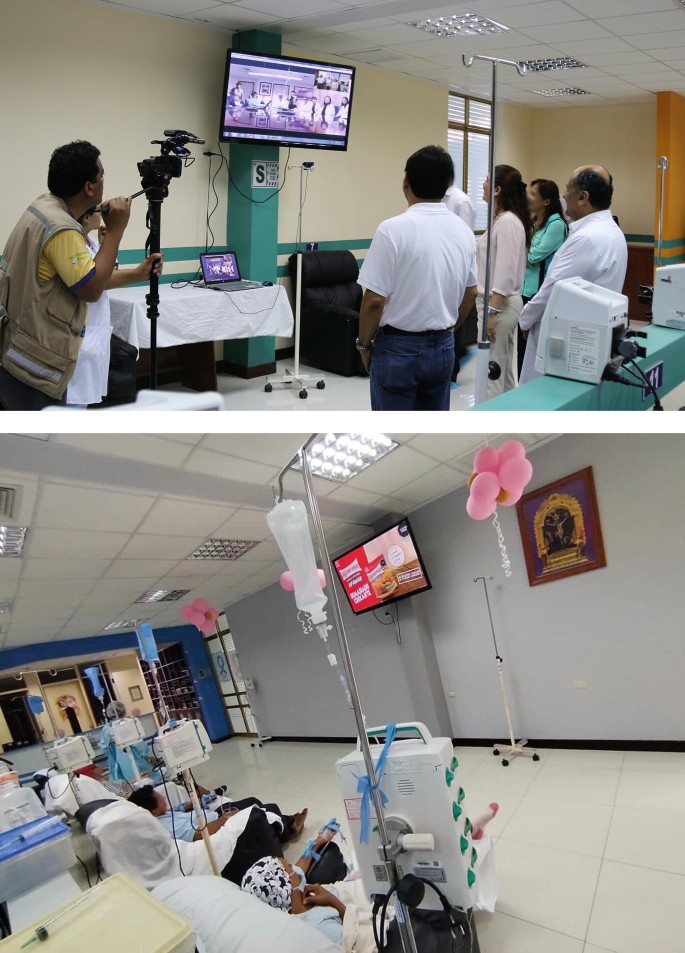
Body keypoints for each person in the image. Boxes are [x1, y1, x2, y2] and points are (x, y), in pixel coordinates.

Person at [0, 140, 132, 410]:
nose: (104, 180)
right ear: (89, 187)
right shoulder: (62, 229)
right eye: (101, 174)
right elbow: (92, 289)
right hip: (36, 366)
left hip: (16, 348)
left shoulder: (42, 207)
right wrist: (115, 231)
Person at [357, 145, 478, 411]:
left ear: (405, 182)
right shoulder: (464, 231)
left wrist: (364, 346)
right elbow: (471, 292)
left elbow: (374, 301)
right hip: (443, 347)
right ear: (448, 184)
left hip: (398, 348)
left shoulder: (392, 230)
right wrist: (450, 329)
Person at [518, 165, 628, 386]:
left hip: (567, 341)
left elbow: (553, 288)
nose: (564, 195)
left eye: (568, 190)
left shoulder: (586, 238)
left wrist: (524, 319)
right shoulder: (611, 231)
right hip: (589, 335)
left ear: (582, 197)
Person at [66, 208, 162, 408]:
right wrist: (138, 274)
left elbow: (108, 273)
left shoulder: (91, 242)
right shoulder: (73, 246)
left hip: (95, 332)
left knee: (86, 398)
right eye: (97, 210)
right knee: (73, 401)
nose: (101, 212)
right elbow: (94, 282)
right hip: (78, 332)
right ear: (86, 216)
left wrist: (105, 246)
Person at [476, 164, 531, 398]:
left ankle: (489, 430)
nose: (483, 184)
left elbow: (506, 272)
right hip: (496, 305)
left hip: (499, 305)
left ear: (497, 190)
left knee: (492, 371)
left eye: (487, 180)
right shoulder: (500, 220)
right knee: (504, 369)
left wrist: (492, 312)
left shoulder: (508, 222)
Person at [128, 783, 308, 845]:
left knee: (254, 801)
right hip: (218, 823)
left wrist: (192, 801)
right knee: (268, 808)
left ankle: (283, 822)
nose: (164, 799)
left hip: (212, 814)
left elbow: (179, 809)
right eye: (160, 799)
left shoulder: (161, 815)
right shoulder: (170, 826)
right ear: (152, 808)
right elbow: (202, 834)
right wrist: (226, 817)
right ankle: (288, 827)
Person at [518, 179, 568, 378]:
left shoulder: (556, 225)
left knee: (533, 349)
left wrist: (524, 248)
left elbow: (532, 257)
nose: (527, 198)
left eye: (532, 194)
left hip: (539, 294)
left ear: (546, 201)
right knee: (522, 350)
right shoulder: (533, 222)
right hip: (524, 291)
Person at [99, 700, 156, 782]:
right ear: (123, 711)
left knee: (130, 784)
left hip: (119, 760)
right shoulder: (128, 723)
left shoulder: (106, 729)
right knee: (145, 780)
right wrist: (149, 757)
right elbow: (139, 745)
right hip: (134, 756)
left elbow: (106, 749)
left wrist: (113, 764)